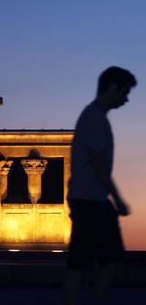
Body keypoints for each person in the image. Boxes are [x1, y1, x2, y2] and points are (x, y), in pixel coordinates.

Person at [63, 66, 137, 305]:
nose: (126, 99)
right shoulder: (94, 118)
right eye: (125, 92)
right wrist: (118, 199)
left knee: (106, 258)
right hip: (89, 200)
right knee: (82, 260)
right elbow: (97, 163)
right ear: (112, 88)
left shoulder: (96, 117)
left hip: (93, 199)